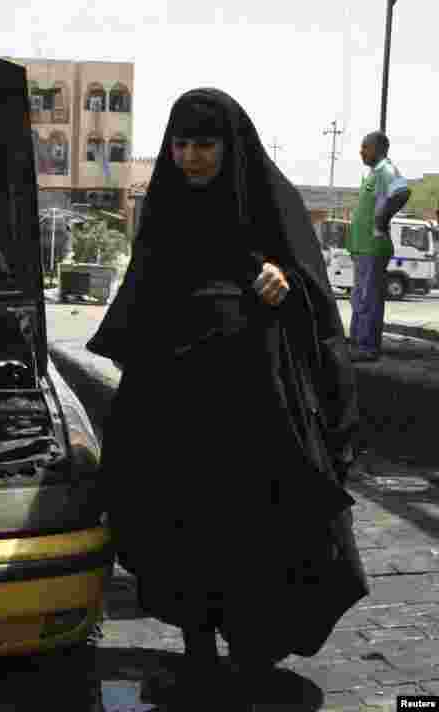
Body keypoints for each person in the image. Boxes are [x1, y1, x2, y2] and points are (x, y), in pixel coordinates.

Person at [85, 89, 368, 706]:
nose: (189, 157)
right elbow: (143, 290)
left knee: (253, 529)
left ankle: (250, 658)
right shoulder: (163, 202)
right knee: (180, 527)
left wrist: (283, 279)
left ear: (229, 145)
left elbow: (315, 301)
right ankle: (198, 655)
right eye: (179, 144)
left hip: (253, 407)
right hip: (176, 404)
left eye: (203, 145)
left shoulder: (271, 200)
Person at [347, 131, 411, 362]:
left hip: (373, 248)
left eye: (365, 147)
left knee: (369, 298)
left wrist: (381, 220)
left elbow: (402, 191)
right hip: (362, 249)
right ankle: (356, 343)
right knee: (360, 298)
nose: (361, 151)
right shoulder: (375, 173)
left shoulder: (385, 169)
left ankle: (367, 347)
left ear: (378, 148)